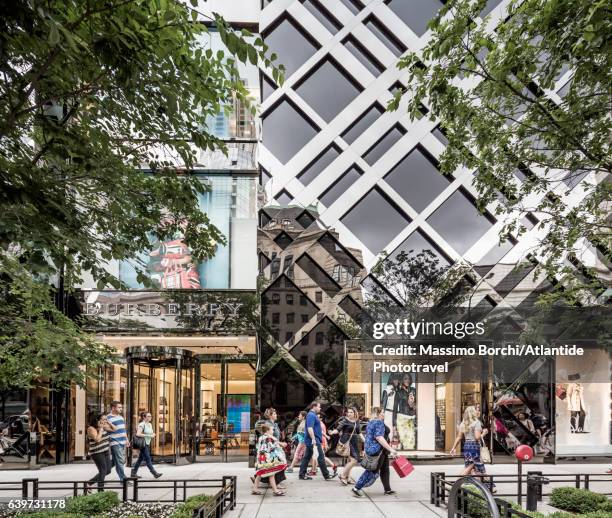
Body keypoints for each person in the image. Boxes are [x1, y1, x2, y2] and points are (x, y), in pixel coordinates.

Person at [352, 407, 397, 498]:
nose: (384, 414)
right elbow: (379, 437)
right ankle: (356, 488)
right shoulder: (378, 422)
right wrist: (391, 449)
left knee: (385, 469)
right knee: (372, 471)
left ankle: (387, 489)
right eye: (382, 413)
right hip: (378, 451)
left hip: (381, 450)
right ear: (377, 414)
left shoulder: (371, 422)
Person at [450, 406, 494, 491]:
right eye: (476, 411)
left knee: (471, 467)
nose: (478, 412)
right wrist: (484, 433)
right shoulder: (476, 423)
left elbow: (459, 437)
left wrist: (453, 448)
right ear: (472, 413)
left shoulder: (463, 423)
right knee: (472, 466)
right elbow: (477, 437)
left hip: (467, 446)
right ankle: (455, 486)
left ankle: (482, 487)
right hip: (474, 446)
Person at [298, 402, 337, 481]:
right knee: (321, 456)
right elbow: (310, 428)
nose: (320, 409)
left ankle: (302, 474)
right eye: (319, 407)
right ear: (314, 407)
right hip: (313, 440)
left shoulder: (312, 415)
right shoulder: (311, 415)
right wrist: (313, 439)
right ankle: (326, 475)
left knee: (307, 457)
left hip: (312, 439)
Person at [254, 408, 287, 488]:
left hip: (275, 447)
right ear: (270, 416)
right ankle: (274, 485)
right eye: (275, 414)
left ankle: (265, 481)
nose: (276, 415)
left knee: (272, 466)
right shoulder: (268, 424)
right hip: (272, 448)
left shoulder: (274, 424)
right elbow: (269, 436)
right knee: (274, 466)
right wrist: (280, 443)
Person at [252, 423, 287, 496]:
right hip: (268, 459)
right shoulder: (268, 438)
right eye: (272, 429)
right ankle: (275, 490)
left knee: (260, 473)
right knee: (271, 474)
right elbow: (272, 448)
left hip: (261, 458)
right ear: (267, 430)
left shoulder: (261, 437)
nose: (273, 431)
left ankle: (255, 489)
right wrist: (281, 446)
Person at [330, 407, 362, 485]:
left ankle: (347, 477)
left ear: (355, 413)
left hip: (355, 442)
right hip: (347, 441)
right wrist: (332, 432)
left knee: (350, 461)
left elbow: (359, 433)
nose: (349, 413)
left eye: (351, 412)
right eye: (348, 412)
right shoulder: (345, 420)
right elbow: (338, 429)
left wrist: (365, 441)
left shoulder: (356, 421)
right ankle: (343, 475)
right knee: (354, 460)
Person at [86, 413, 114, 490]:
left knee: (108, 470)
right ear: (97, 420)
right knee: (103, 470)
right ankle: (100, 491)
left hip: (105, 451)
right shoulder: (91, 428)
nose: (105, 421)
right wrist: (101, 429)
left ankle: (89, 483)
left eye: (106, 419)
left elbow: (114, 429)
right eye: (103, 419)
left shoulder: (104, 426)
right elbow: (97, 439)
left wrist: (109, 423)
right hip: (97, 452)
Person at [131, 412, 162, 479]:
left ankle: (133, 472)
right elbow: (138, 434)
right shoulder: (142, 424)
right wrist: (149, 435)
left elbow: (150, 433)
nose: (150, 417)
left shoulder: (150, 424)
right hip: (143, 444)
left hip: (147, 443)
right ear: (144, 417)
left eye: (150, 416)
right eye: (148, 416)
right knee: (148, 458)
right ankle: (154, 473)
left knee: (140, 459)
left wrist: (153, 434)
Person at [107, 400, 129, 482]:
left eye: (121, 407)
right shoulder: (108, 418)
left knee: (116, 461)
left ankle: (101, 475)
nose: (121, 409)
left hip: (123, 442)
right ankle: (123, 479)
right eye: (119, 407)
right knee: (120, 461)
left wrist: (126, 439)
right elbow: (107, 431)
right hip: (115, 442)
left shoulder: (121, 417)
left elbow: (123, 430)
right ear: (113, 408)